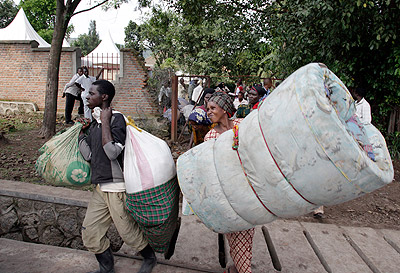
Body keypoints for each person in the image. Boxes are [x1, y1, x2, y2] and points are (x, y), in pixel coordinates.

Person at [77, 80, 156, 273]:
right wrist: (80, 134)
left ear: (104, 97)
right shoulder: (94, 124)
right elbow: (89, 156)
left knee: (128, 233)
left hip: (116, 188)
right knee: (90, 231)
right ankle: (107, 267)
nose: (87, 96)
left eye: (92, 93)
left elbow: (112, 152)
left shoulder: (116, 119)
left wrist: (105, 121)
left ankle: (150, 257)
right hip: (100, 188)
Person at [204, 91, 253, 273]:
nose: (208, 112)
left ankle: (234, 268)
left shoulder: (242, 126)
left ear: (224, 110)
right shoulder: (210, 137)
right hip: (229, 197)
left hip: (250, 191)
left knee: (246, 236)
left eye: (213, 108)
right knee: (238, 237)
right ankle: (242, 269)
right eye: (207, 108)